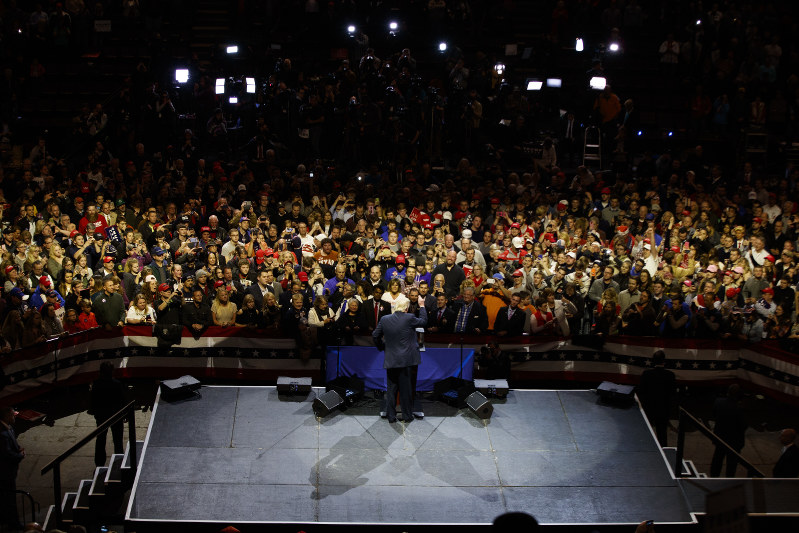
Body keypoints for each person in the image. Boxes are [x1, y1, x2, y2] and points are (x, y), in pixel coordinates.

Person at [373, 299, 428, 423]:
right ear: (406, 308)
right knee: (405, 390)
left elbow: (375, 335)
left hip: (391, 359)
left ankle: (391, 417)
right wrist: (422, 306)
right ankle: (407, 416)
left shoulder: (385, 319)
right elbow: (424, 322)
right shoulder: (409, 317)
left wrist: (382, 347)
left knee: (391, 390)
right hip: (406, 361)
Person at [90, 361, 126, 467]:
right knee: (118, 441)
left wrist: (96, 413)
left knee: (101, 440)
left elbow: (93, 402)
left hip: (102, 416)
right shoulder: (117, 384)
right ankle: (119, 462)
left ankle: (99, 464)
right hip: (116, 416)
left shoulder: (96, 385)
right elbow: (122, 400)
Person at [637, 350, 676, 446]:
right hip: (663, 410)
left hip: (649, 408)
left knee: (647, 432)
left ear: (653, 361)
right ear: (664, 361)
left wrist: (644, 406)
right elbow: (672, 394)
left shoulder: (646, 374)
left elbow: (640, 392)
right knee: (662, 434)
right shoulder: (670, 375)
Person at [710, 384, 748, 477]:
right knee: (731, 464)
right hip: (734, 441)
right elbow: (743, 425)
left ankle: (714, 477)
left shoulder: (718, 402)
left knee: (717, 459)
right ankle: (729, 480)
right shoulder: (739, 408)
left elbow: (714, 415)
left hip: (720, 437)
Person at [0, 406, 24, 530]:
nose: (14, 415)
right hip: (5, 473)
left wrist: (18, 447)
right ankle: (13, 524)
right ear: (6, 416)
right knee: (9, 500)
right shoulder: (2, 434)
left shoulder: (9, 428)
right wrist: (19, 455)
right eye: (12, 414)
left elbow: (13, 444)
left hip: (10, 472)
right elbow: (6, 454)